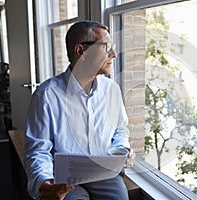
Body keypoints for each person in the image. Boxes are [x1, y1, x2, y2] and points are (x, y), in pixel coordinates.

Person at [24, 20, 135, 200]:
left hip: (104, 173)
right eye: (106, 47)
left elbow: (120, 130)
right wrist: (43, 183)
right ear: (81, 51)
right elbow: (38, 151)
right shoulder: (46, 95)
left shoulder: (112, 90)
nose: (113, 54)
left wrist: (121, 150)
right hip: (65, 179)